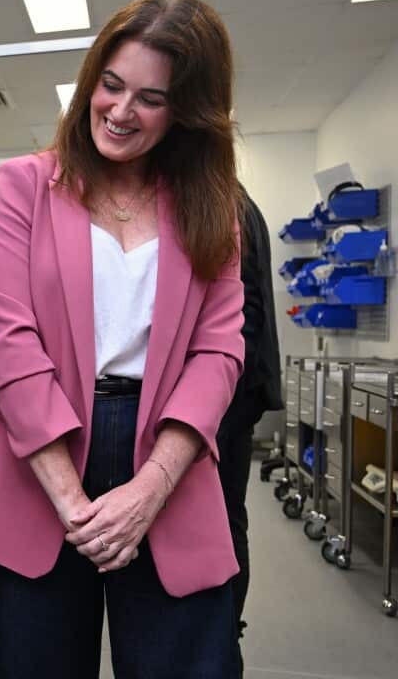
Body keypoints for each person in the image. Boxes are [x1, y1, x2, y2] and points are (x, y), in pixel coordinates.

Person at [0, 0, 246, 677]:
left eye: (151, 98)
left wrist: (148, 491)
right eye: (110, 85)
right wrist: (73, 503)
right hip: (37, 454)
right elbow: (10, 340)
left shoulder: (210, 206)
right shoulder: (26, 184)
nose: (119, 110)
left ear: (187, 111)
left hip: (165, 458)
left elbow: (219, 351)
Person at [218, 187, 283, 668]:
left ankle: (220, 630)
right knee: (227, 515)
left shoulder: (224, 203)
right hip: (238, 391)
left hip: (228, 396)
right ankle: (222, 626)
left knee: (219, 517)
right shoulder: (236, 198)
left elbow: (243, 314)